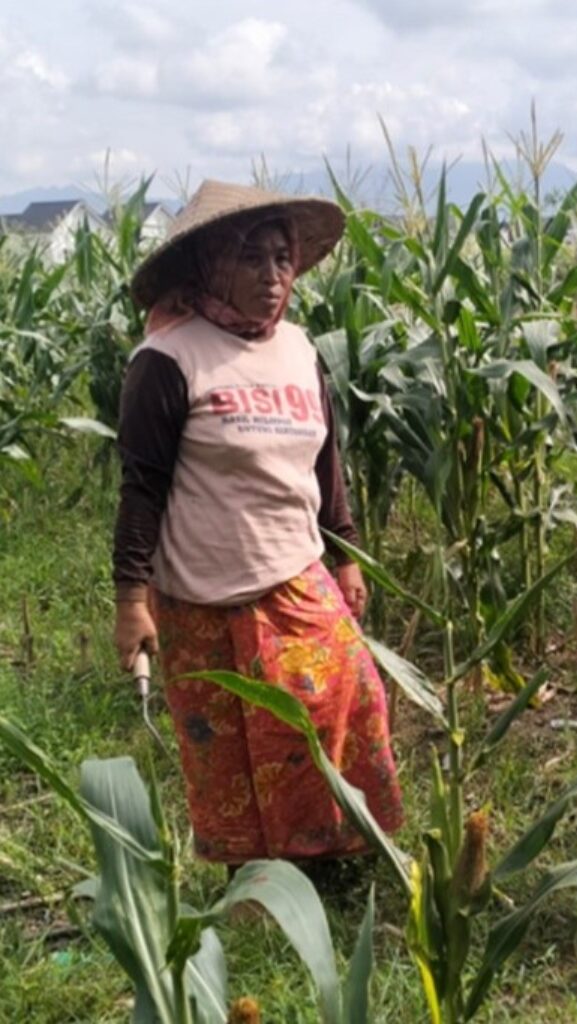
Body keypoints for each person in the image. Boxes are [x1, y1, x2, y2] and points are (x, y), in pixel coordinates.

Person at [113, 180, 402, 867]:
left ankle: (334, 854)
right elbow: (140, 488)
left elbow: (327, 459)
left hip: (296, 575)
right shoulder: (169, 358)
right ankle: (258, 883)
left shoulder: (299, 348)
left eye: (282, 258)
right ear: (211, 262)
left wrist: (348, 554)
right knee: (234, 749)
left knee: (347, 702)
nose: (273, 277)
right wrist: (130, 601)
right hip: (203, 596)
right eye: (251, 259)